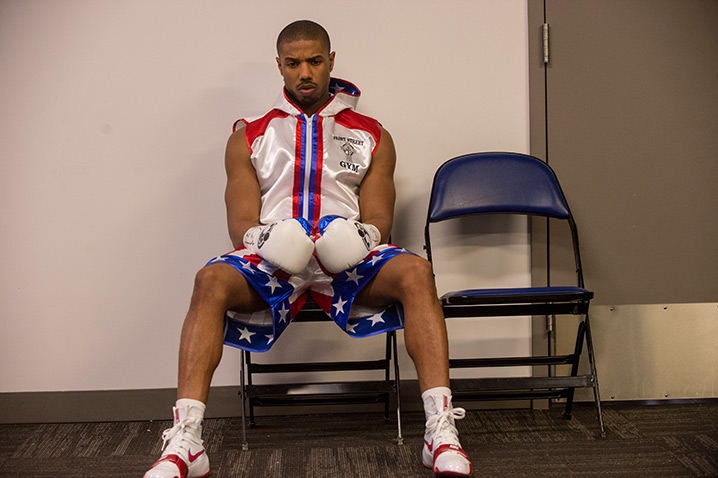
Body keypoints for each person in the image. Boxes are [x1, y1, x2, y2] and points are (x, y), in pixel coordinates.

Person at [144, 20, 472, 478]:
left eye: (315, 61)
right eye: (293, 63)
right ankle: (187, 441)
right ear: (278, 65)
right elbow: (240, 222)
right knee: (209, 279)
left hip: (346, 258)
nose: (305, 72)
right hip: (277, 256)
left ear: (331, 61)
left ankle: (439, 432)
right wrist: (266, 240)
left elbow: (380, 218)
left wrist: (363, 238)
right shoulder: (249, 135)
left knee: (417, 272)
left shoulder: (372, 133)